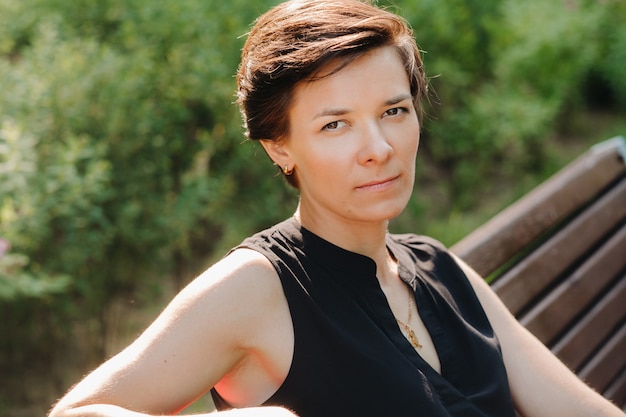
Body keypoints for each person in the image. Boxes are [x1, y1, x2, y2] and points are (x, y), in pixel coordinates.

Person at [48, 1, 624, 416]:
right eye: (335, 124)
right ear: (280, 146)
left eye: (394, 111)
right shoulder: (260, 287)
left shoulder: (440, 269)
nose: (379, 149)